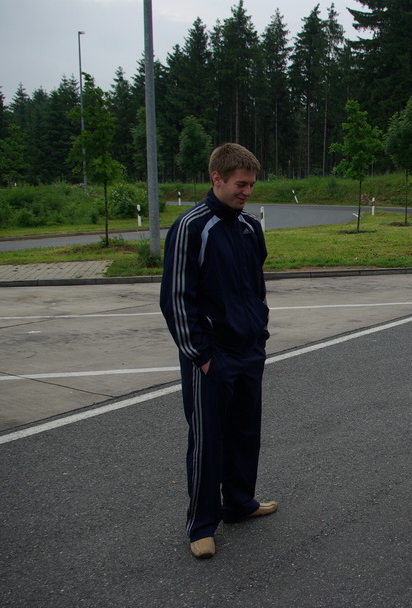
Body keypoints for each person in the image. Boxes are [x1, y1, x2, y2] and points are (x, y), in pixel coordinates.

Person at [160, 143, 276, 559]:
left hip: (248, 351)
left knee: (245, 432)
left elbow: (256, 288)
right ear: (217, 179)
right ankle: (201, 525)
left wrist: (259, 335)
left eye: (251, 184)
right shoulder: (191, 227)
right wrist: (201, 355)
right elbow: (176, 298)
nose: (247, 191)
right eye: (241, 184)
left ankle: (239, 503)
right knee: (208, 441)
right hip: (212, 357)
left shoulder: (249, 228)